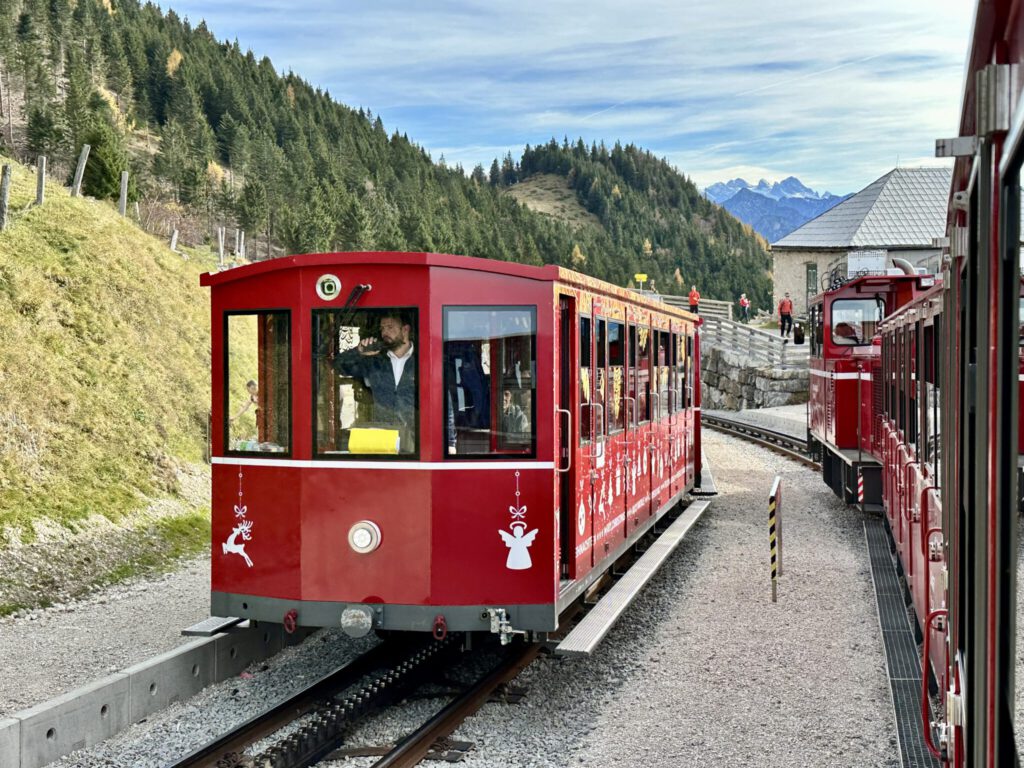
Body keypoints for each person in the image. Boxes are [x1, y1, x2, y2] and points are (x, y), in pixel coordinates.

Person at [332, 312, 416, 451]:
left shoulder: (422, 359)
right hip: (382, 435)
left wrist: (450, 442)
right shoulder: (374, 360)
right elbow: (338, 366)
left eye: (390, 327)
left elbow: (443, 400)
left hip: (415, 437)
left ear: (405, 329)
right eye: (382, 328)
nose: (385, 332)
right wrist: (358, 351)